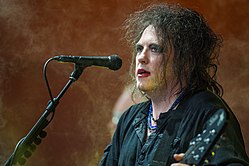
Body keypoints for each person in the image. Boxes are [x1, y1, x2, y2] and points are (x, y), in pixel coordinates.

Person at [100, 3, 249, 166]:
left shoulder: (207, 112)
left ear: (184, 60)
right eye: (139, 49)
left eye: (154, 48)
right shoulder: (130, 118)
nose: (141, 57)